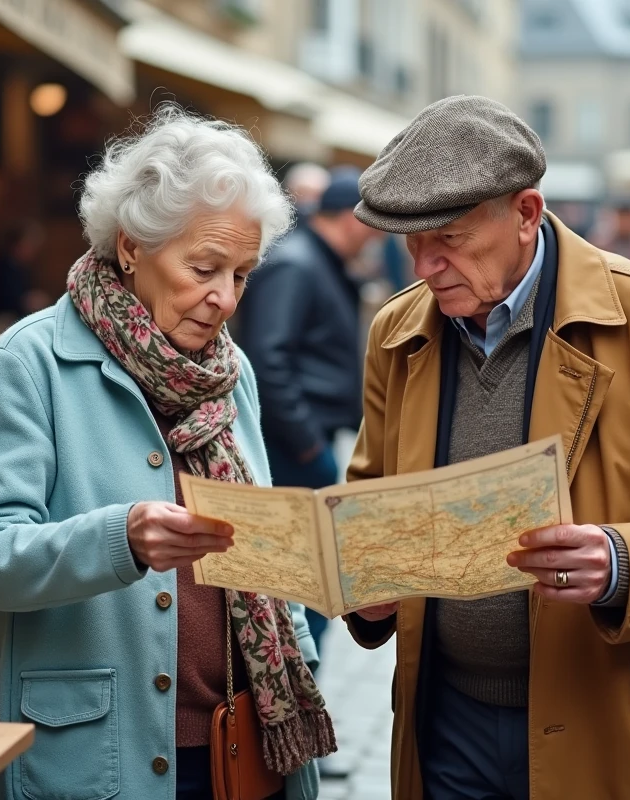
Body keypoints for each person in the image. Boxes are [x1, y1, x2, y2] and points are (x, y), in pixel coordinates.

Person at [344, 95, 630, 799]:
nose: (426, 265)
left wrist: (623, 560)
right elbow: (370, 500)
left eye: (448, 237)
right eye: (410, 243)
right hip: (446, 723)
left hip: (610, 718)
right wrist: (362, 585)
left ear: (526, 213)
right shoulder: (396, 331)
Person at [0, 109, 332, 800]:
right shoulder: (30, 362)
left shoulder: (233, 373)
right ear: (131, 246)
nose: (225, 298)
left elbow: (269, 557)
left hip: (247, 752)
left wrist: (307, 666)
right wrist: (119, 538)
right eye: (204, 268)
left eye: (242, 274)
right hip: (98, 755)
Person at [236, 169, 379, 779]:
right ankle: (292, 729)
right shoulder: (297, 265)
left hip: (308, 440)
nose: (374, 238)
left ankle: (302, 725)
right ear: (347, 218)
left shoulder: (312, 261)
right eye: (369, 226)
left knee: (311, 589)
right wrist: (311, 446)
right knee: (304, 588)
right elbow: (269, 360)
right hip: (295, 450)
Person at [0, 222, 51, 320]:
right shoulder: (1, 267)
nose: (33, 252)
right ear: (18, 244)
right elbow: (3, 300)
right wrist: (27, 301)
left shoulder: (24, 268)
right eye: (30, 246)